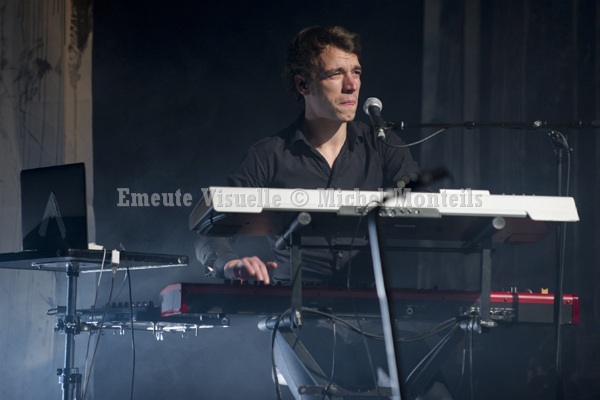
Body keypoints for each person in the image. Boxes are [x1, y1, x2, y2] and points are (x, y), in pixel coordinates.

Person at [195, 25, 420, 287]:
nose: (351, 85)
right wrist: (231, 264)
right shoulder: (268, 155)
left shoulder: (383, 144)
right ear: (302, 84)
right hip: (291, 304)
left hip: (372, 305)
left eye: (356, 72)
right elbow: (209, 232)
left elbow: (421, 203)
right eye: (336, 74)